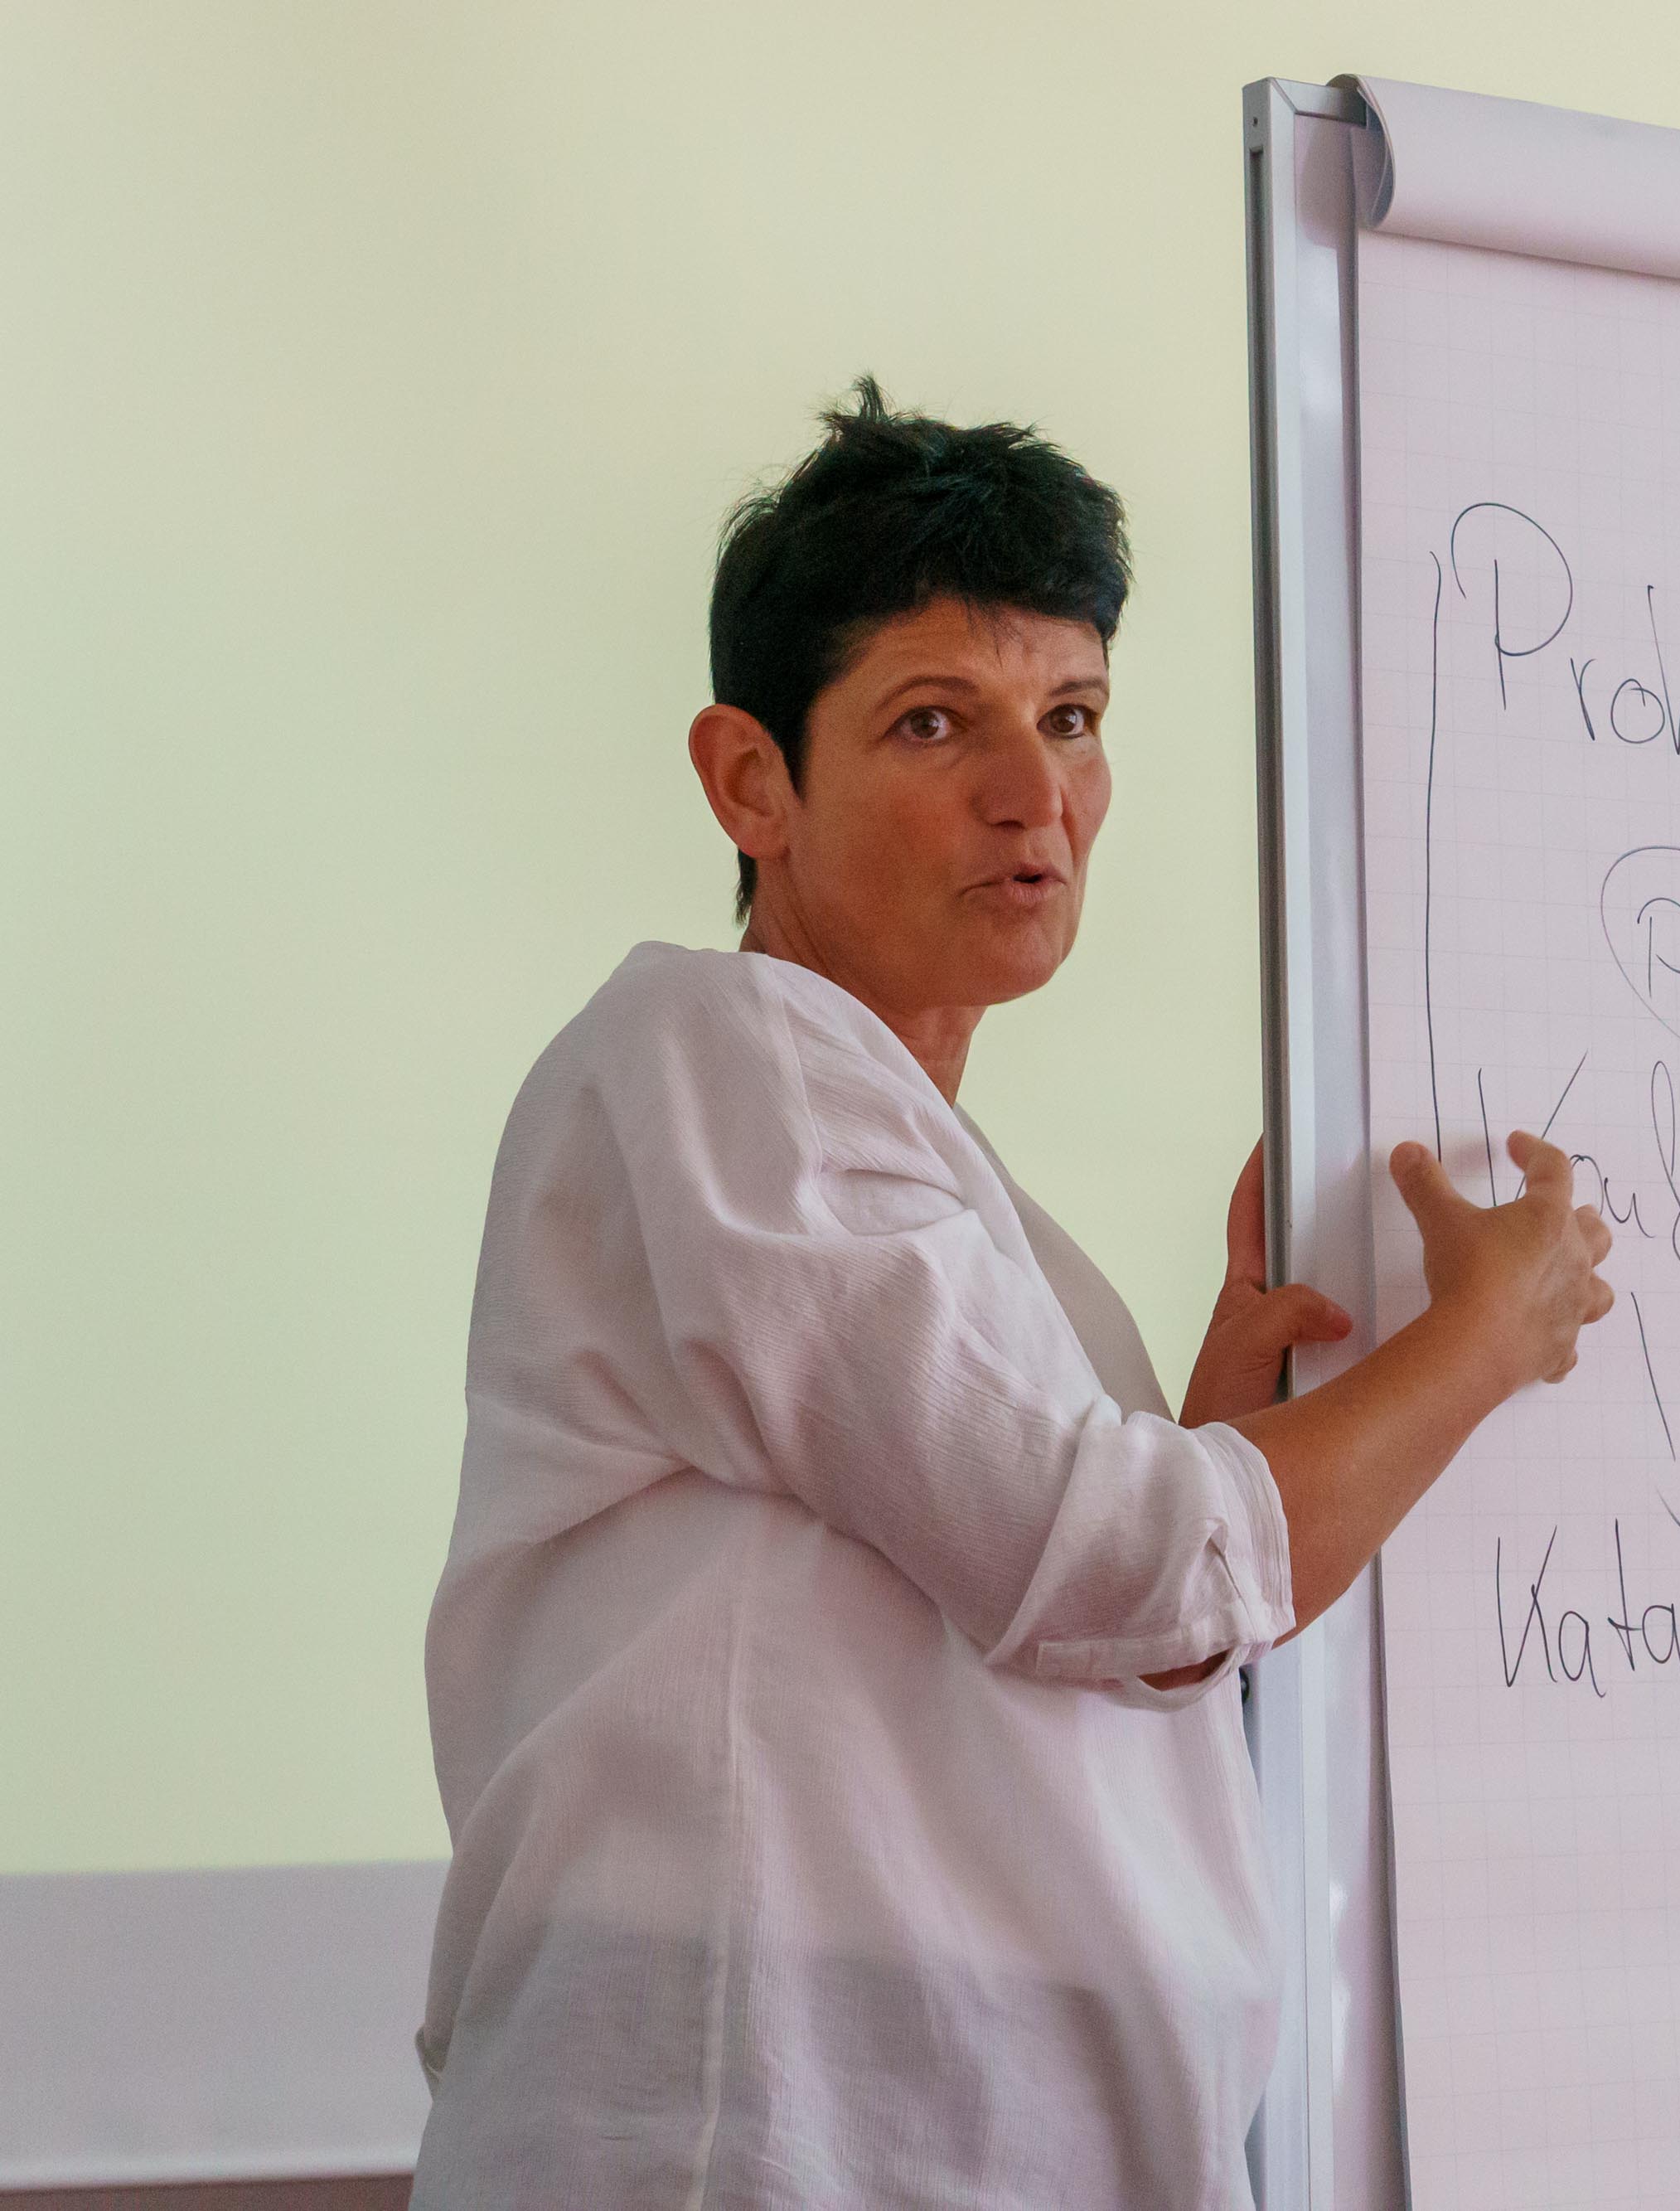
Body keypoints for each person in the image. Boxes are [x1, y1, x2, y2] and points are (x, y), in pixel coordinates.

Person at [411, 381, 1615, 2207]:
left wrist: (1218, 1425)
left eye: (1072, 717)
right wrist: (1481, 1340)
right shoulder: (716, 1047)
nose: (1033, 796)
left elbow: (1121, 1631)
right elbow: (1118, 1564)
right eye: (932, 721)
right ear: (750, 781)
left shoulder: (963, 1212)